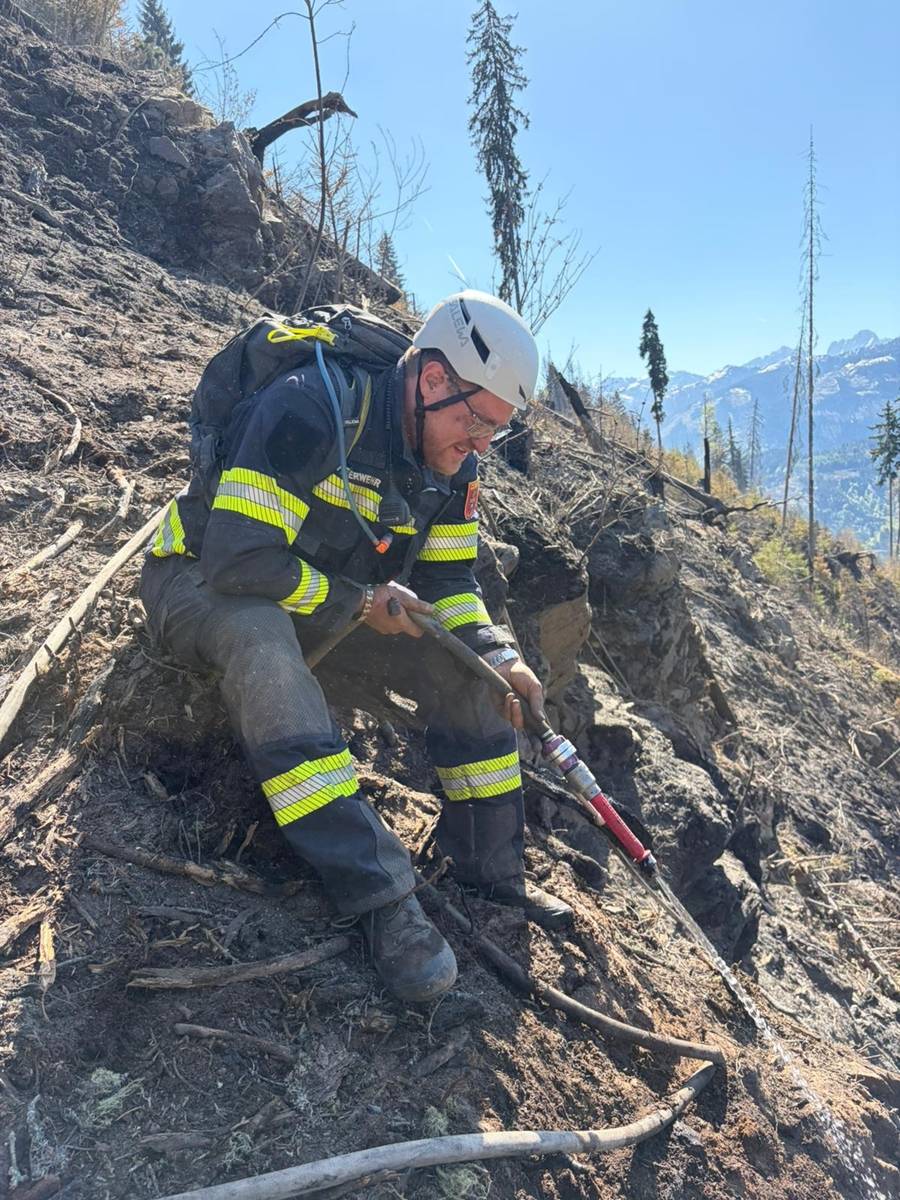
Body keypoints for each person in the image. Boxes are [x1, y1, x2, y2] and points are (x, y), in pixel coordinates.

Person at [140, 289, 573, 1004]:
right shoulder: (312, 406)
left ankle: (489, 875)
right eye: (475, 423)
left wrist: (496, 655)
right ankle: (381, 901)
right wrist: (356, 604)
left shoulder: (455, 461)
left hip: (327, 598)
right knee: (263, 643)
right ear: (433, 379)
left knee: (468, 667)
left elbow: (448, 579)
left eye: (495, 431)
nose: (480, 448)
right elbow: (239, 560)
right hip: (202, 579)